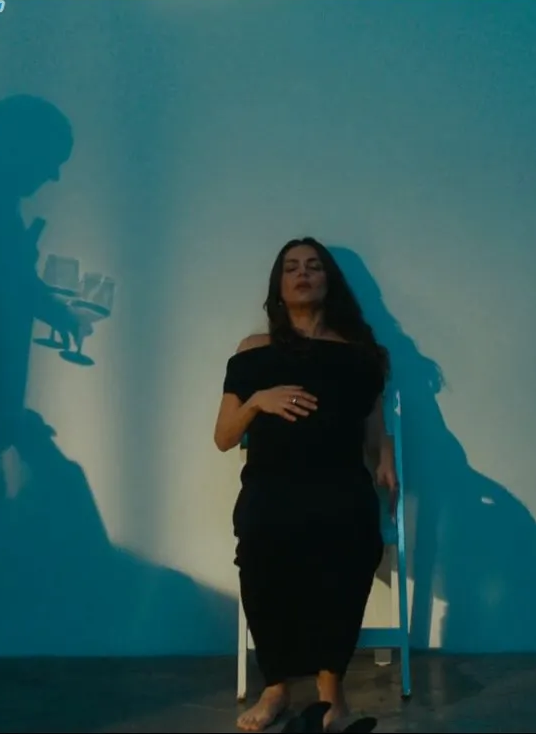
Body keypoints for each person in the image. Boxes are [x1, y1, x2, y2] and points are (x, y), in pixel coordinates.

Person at [214, 237, 396, 732]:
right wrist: (259, 401)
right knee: (261, 542)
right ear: (278, 284)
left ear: (328, 281)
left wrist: (385, 457)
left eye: (313, 266)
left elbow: (373, 423)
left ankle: (331, 691)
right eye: (291, 267)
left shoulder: (358, 355)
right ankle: (276, 687)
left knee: (353, 540)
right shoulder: (253, 351)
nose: (302, 273)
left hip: (340, 484)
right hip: (271, 485)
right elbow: (224, 437)